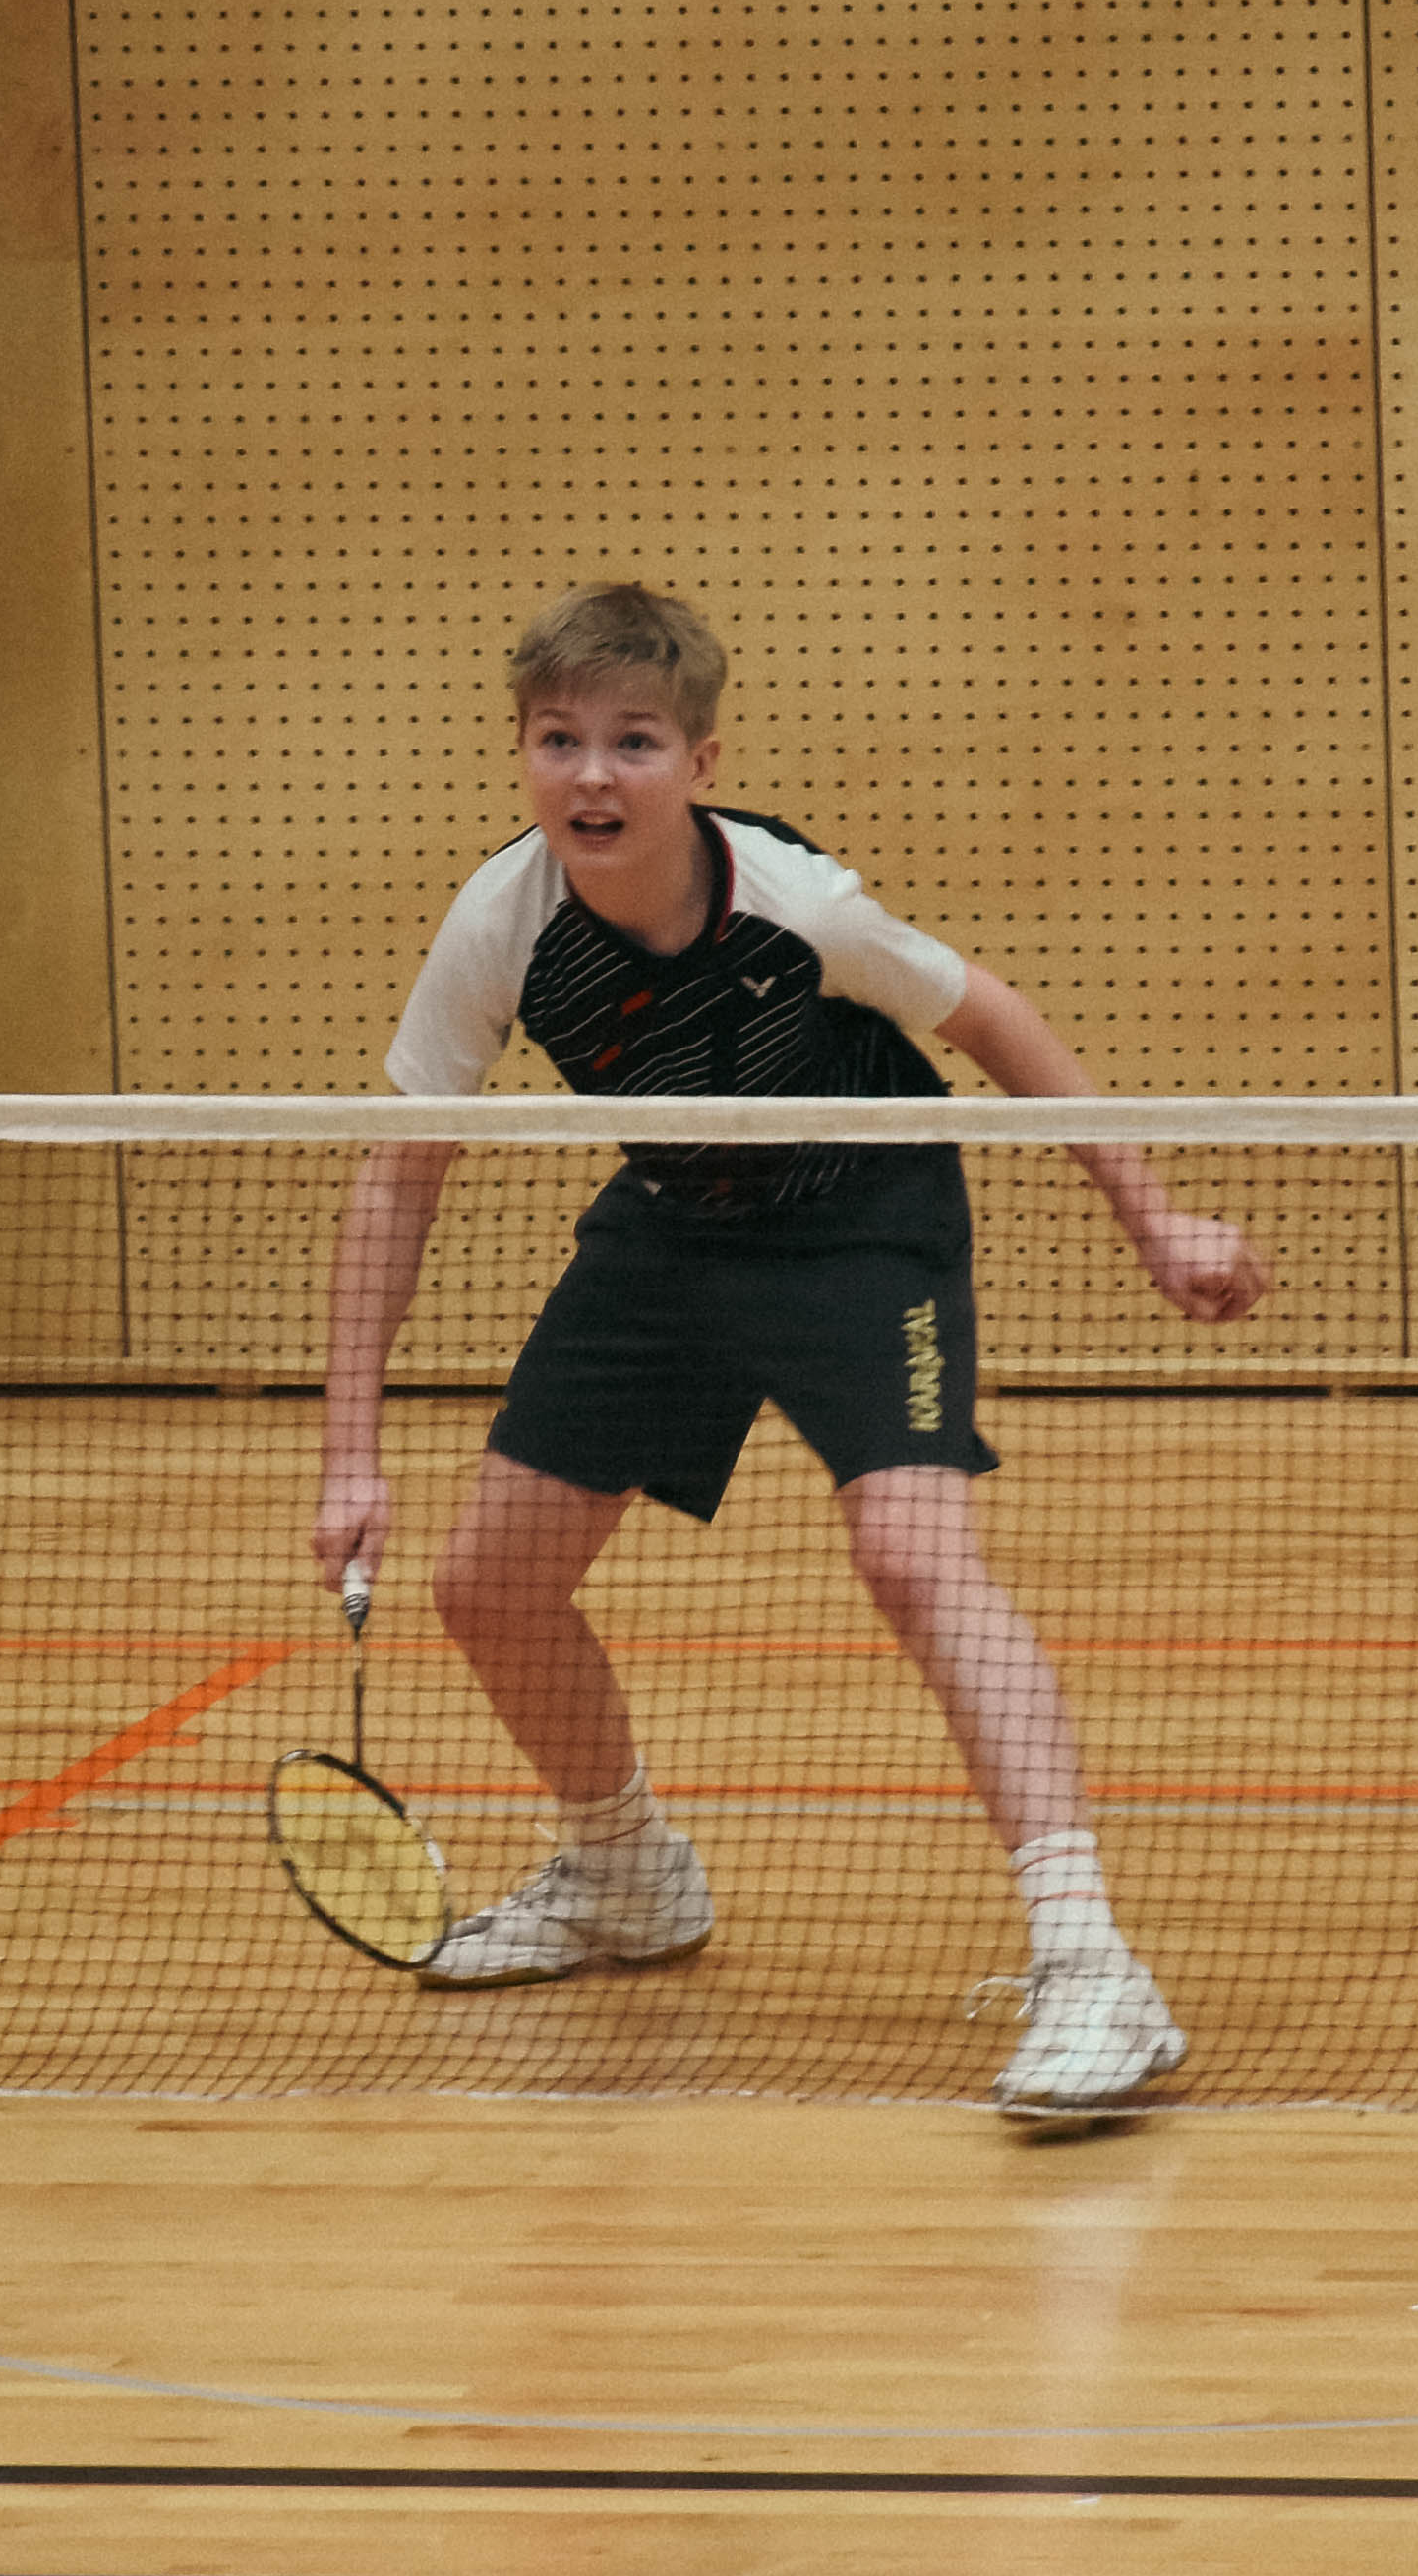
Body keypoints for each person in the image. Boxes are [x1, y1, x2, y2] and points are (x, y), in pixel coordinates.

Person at [314, 583, 1270, 2121]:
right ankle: (627, 1875)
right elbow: (397, 1181)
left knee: (910, 1555)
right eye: (559, 740)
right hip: (673, 1227)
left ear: (698, 760)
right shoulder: (501, 921)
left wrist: (1154, 1220)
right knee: (487, 1585)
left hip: (861, 1220)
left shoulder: (798, 905)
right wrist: (350, 1457)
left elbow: (997, 1020)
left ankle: (1092, 1962)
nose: (593, 774)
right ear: (524, 756)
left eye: (634, 742)